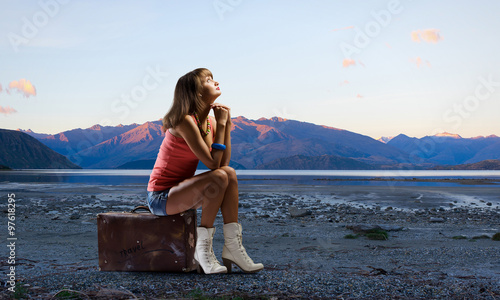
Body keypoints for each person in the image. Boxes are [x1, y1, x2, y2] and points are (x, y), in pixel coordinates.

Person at [147, 68, 263, 274]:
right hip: (161, 197)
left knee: (229, 173)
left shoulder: (209, 123)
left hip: (184, 191)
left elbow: (223, 163)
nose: (216, 81)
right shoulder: (184, 120)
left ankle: (233, 247)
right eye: (209, 80)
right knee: (219, 175)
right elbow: (212, 165)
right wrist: (221, 122)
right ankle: (202, 250)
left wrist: (224, 125)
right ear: (197, 92)